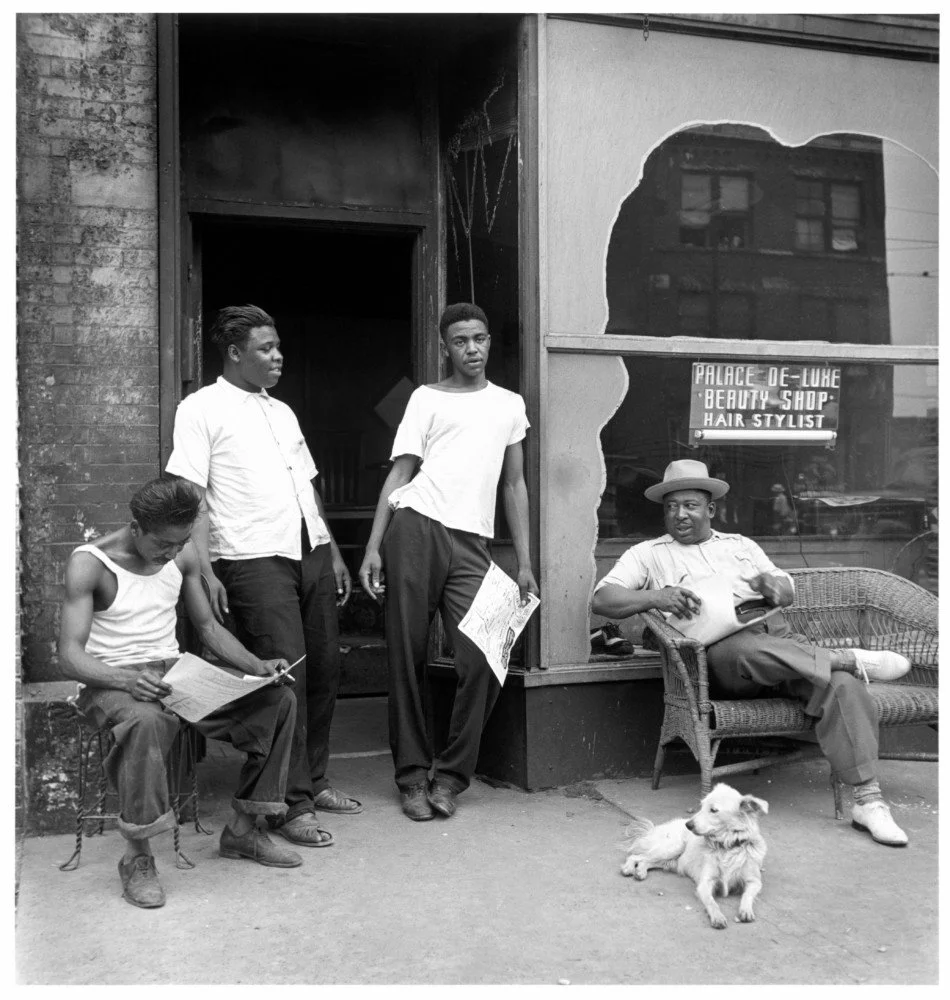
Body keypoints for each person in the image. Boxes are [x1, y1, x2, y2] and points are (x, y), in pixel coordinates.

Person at [591, 459, 913, 847]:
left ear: (710, 509)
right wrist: (658, 596)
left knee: (841, 685)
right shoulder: (649, 554)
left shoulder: (741, 546)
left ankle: (868, 801)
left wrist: (777, 587)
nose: (680, 514)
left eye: (690, 505)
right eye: (671, 506)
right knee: (745, 649)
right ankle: (846, 658)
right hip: (721, 661)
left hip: (776, 645)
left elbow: (785, 588)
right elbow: (603, 599)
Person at [165, 303, 360, 853]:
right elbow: (192, 493)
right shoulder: (200, 408)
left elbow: (308, 486)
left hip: (309, 551)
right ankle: (288, 806)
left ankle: (314, 781)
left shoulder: (283, 411)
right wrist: (203, 568)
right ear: (233, 352)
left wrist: (334, 552)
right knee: (287, 677)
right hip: (251, 558)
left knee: (323, 670)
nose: (278, 357)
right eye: (266, 349)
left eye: (278, 348)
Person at [58, 477, 304, 909]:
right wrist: (124, 680)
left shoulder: (183, 552)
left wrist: (255, 666)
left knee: (277, 701)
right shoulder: (91, 563)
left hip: (173, 671)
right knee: (148, 719)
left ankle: (244, 831)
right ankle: (137, 859)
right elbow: (69, 656)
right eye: (163, 544)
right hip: (109, 679)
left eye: (181, 542)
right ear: (135, 527)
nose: (173, 553)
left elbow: (208, 628)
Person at [358, 302, 539, 822]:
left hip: (473, 543)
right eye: (461, 341)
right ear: (446, 346)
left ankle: (453, 776)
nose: (473, 349)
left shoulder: (509, 404)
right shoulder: (425, 398)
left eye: (480, 338)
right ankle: (413, 778)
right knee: (407, 656)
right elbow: (400, 474)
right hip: (415, 527)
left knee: (486, 652)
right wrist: (373, 545)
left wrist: (524, 560)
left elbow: (514, 483)